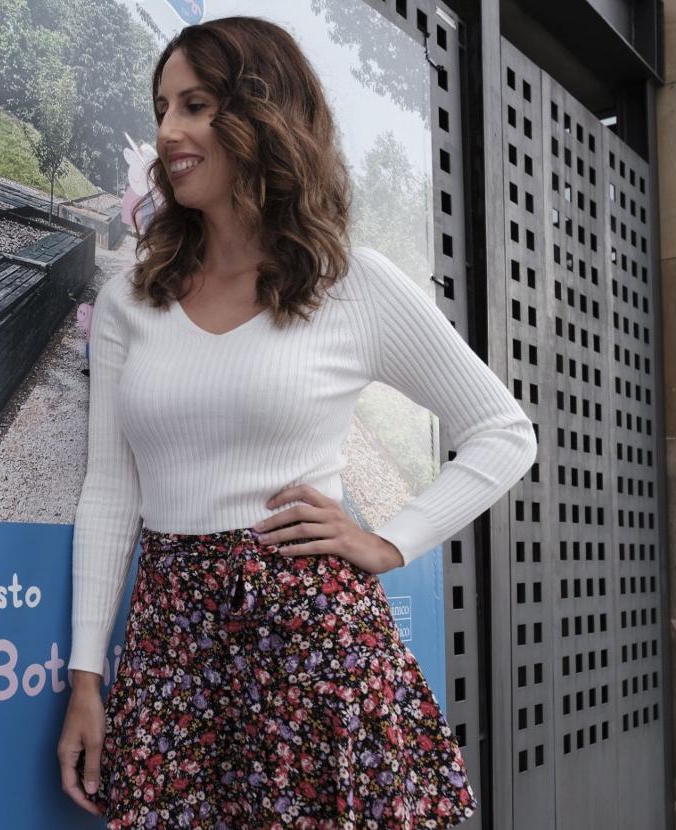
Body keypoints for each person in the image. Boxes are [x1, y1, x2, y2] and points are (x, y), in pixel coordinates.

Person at [56, 15, 537, 829]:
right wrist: (86, 678)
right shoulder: (129, 302)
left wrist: (388, 539)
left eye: (197, 105)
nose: (169, 130)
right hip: (172, 645)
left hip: (312, 644)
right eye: (164, 107)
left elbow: (504, 431)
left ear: (263, 114)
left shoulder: (351, 283)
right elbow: (110, 491)